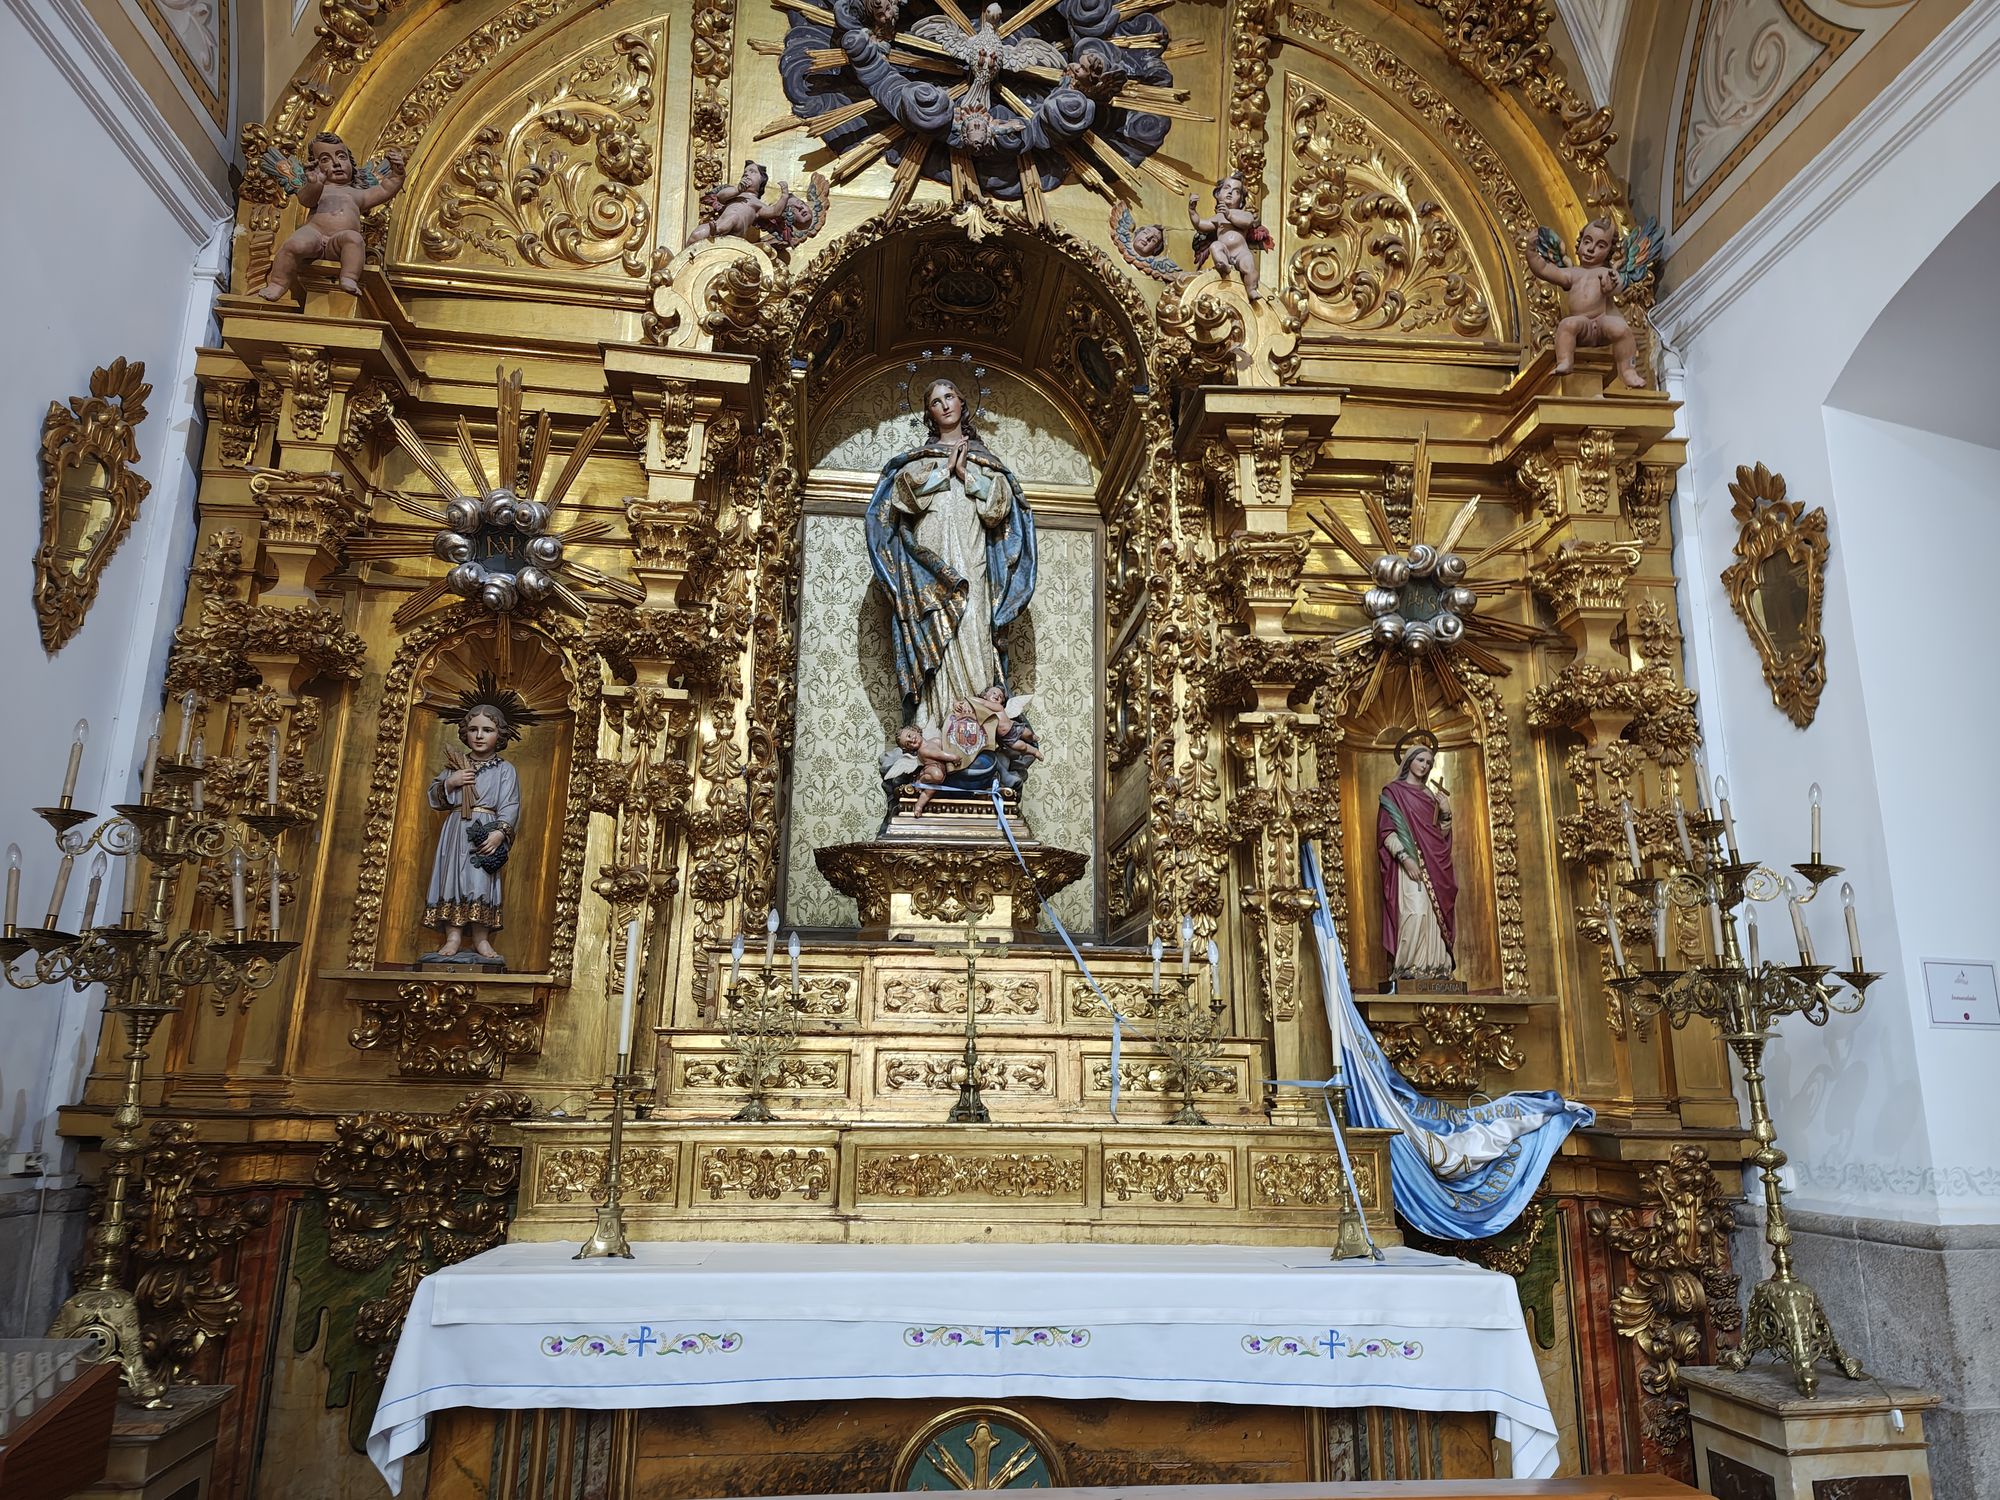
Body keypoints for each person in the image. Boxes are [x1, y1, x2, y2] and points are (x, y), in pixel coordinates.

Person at [865, 378, 1036, 739]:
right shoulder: (918, 462)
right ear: (928, 413)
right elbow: (901, 499)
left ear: (962, 403)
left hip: (972, 557)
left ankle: (976, 731)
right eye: (935, 402)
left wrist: (965, 473)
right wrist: (943, 472)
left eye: (949, 397)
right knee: (936, 635)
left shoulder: (987, 463)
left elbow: (998, 510)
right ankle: (934, 725)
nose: (944, 405)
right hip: (930, 565)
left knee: (973, 626)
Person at [420, 704, 521, 965]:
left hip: (484, 831)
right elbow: (434, 796)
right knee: (452, 879)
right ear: (465, 733)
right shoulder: (456, 765)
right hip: (456, 830)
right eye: (473, 729)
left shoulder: (504, 770)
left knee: (480, 882)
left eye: (487, 730)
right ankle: (452, 937)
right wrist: (451, 782)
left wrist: (499, 833)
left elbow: (510, 805)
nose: (479, 735)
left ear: (499, 735)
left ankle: (480, 937)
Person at [257, 132, 406, 300]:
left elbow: (385, 189)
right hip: (314, 233)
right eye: (325, 159)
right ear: (315, 166)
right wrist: (314, 183)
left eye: (342, 157)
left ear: (351, 163)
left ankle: (349, 277)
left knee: (354, 239)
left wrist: (398, 174)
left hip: (339, 241)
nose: (336, 163)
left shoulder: (357, 194)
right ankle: (278, 283)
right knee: (294, 244)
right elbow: (306, 199)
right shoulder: (318, 189)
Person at [1523, 216, 1646, 388]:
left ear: (1610, 251)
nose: (1591, 249)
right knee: (1567, 325)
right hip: (1583, 324)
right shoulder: (1572, 274)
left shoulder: (1606, 272)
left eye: (1600, 246)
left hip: (1602, 321)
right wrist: (1530, 251)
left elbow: (1617, 285)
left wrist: (1610, 282)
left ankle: (1627, 370)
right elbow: (1544, 269)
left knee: (1621, 328)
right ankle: (1565, 361)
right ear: (1579, 244)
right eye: (1587, 242)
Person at [1378, 734, 1456, 979]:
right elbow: (1386, 831)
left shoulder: (1431, 797)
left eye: (1429, 763)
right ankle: (1408, 967)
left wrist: (1445, 813)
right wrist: (1406, 859)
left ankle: (1435, 967)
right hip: (1409, 865)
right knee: (1415, 912)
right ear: (1409, 761)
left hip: (1434, 866)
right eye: (1421, 760)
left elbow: (1439, 837)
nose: (1425, 766)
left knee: (1432, 916)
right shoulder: (1394, 793)